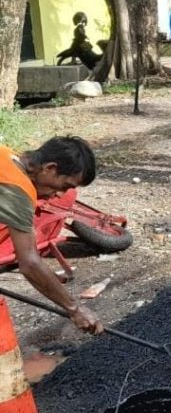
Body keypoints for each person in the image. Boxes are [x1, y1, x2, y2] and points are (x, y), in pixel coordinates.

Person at [0, 137, 102, 334]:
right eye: (64, 186)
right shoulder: (18, 190)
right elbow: (29, 263)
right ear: (50, 167)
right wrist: (74, 309)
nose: (57, 195)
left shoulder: (5, 154)